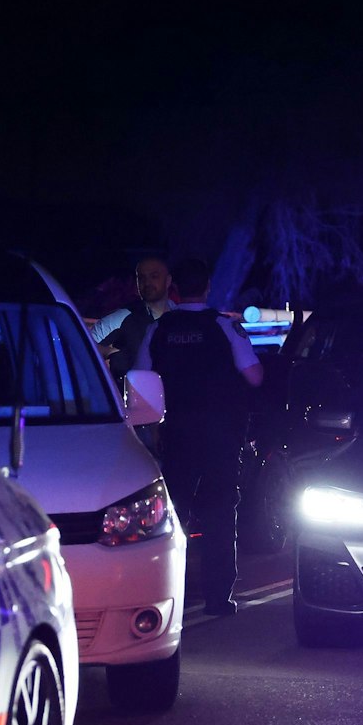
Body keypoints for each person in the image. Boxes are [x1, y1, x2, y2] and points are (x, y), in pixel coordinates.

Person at [133, 256, 264, 615]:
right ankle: (218, 598)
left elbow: (141, 383)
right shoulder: (224, 326)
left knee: (173, 513)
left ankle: (167, 591)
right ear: (207, 287)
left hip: (176, 434)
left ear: (175, 288)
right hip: (221, 435)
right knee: (220, 510)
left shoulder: (158, 330)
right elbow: (254, 377)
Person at [90, 256, 174, 381]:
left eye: (154, 276)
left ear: (168, 281)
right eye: (141, 278)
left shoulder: (180, 316)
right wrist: (111, 352)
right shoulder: (122, 317)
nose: (147, 283)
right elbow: (84, 345)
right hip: (135, 392)